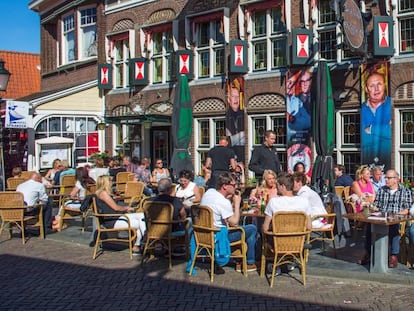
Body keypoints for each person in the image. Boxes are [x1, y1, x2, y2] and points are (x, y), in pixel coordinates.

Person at [200, 172, 257, 273]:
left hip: (204, 234)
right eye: (234, 185)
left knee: (242, 229)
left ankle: (239, 259)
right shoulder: (223, 202)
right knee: (252, 228)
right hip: (218, 236)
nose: (236, 187)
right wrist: (237, 203)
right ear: (225, 186)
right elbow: (234, 222)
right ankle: (249, 262)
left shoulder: (209, 192)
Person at [359, 169, 412, 268]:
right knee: (369, 226)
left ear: (396, 179)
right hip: (381, 217)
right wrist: (370, 207)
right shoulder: (382, 190)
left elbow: (407, 209)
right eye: (385, 178)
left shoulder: (405, 191)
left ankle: (393, 256)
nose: (386, 180)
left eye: (388, 178)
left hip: (396, 218)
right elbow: (377, 205)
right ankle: (368, 253)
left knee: (394, 227)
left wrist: (396, 216)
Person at [95, 175, 146, 254]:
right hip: (112, 221)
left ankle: (140, 244)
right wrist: (126, 208)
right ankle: (142, 244)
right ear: (105, 183)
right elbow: (116, 208)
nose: (112, 183)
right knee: (142, 222)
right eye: (110, 181)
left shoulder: (102, 193)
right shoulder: (103, 193)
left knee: (142, 216)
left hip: (116, 217)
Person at [361, 71, 392, 167]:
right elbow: (362, 133)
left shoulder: (392, 105)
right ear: (366, 89)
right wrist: (385, 128)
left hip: (388, 161)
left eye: (379, 84)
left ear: (384, 86)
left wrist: (371, 129)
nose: (376, 89)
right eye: (372, 86)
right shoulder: (361, 109)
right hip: (367, 162)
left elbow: (393, 131)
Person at [225, 81, 245, 147]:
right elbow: (228, 141)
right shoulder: (226, 115)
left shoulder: (243, 114)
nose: (236, 99)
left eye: (237, 96)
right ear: (228, 100)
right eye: (233, 96)